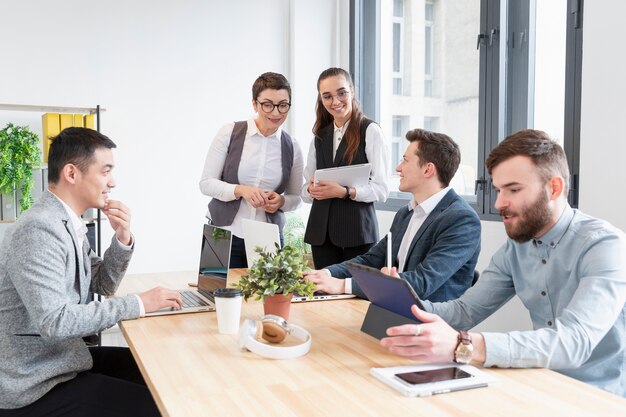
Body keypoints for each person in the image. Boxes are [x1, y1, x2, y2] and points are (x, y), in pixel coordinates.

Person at [380, 129, 626, 397]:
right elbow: (465, 310)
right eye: (498, 190)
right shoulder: (517, 247)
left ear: (553, 188)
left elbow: (573, 342)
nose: (499, 203)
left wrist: (464, 344)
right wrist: (404, 303)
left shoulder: (605, 245)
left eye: (513, 189)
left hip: (603, 396)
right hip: (542, 381)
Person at [0, 127, 183, 415]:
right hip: (35, 381)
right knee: (159, 405)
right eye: (105, 171)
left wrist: (122, 238)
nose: (113, 181)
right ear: (72, 174)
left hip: (62, 358)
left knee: (156, 369)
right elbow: (55, 321)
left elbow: (101, 284)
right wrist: (138, 303)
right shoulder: (38, 229)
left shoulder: (67, 222)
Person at [304, 129, 481, 302]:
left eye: (405, 161)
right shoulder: (405, 213)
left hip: (430, 323)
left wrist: (343, 285)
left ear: (428, 170)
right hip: (394, 309)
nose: (398, 168)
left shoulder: (461, 219)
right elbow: (371, 259)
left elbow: (422, 282)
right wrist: (325, 274)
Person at [200, 72, 303, 268]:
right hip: (224, 231)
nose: (276, 112)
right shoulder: (229, 132)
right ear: (254, 104)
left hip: (267, 238)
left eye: (283, 105)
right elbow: (206, 183)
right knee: (216, 295)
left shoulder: (292, 146)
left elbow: (296, 198)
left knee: (269, 298)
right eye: (267, 104)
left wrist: (281, 201)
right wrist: (240, 190)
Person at [303, 67, 389, 269]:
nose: (335, 101)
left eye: (341, 93)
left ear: (352, 91)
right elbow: (305, 188)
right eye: (327, 96)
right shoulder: (319, 136)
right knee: (324, 296)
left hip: (357, 233)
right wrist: (310, 190)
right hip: (321, 234)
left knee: (356, 295)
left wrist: (345, 192)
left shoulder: (370, 130)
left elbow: (382, 189)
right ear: (321, 100)